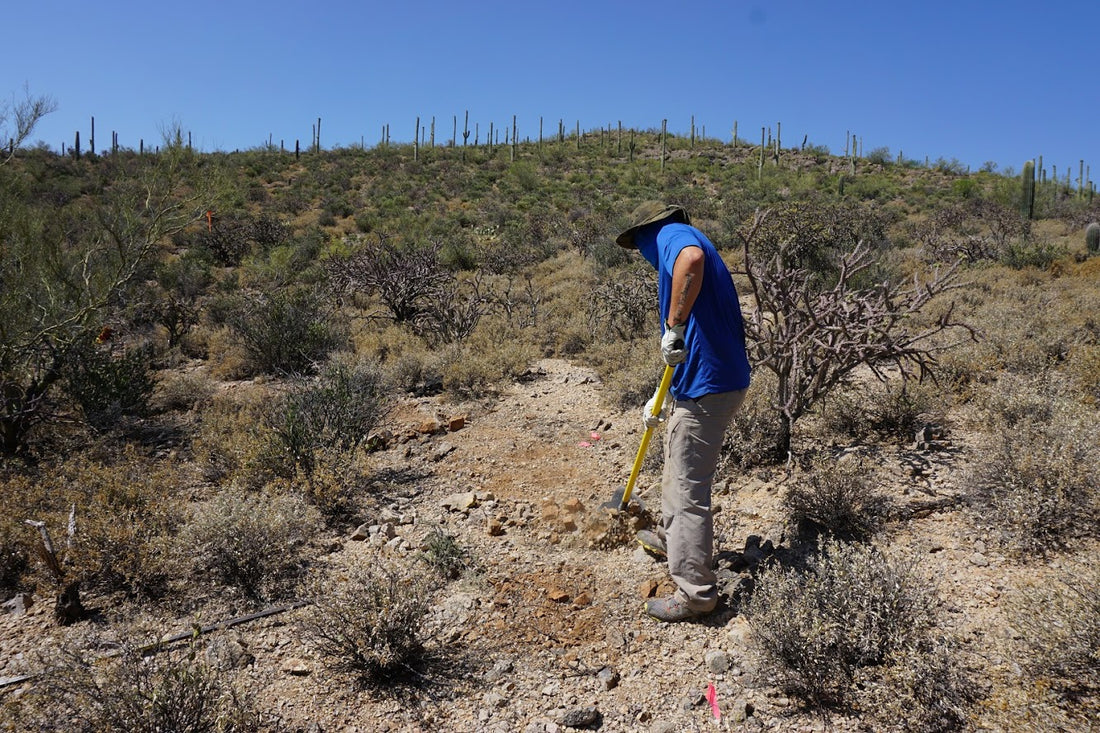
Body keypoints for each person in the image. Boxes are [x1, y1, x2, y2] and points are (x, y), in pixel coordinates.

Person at [615, 201, 751, 622]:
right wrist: (664, 395)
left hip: (710, 386)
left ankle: (695, 593)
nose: (642, 254)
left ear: (646, 233)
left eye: (638, 245)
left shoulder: (673, 237)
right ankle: (673, 538)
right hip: (707, 381)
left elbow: (688, 261)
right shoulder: (692, 240)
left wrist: (673, 325)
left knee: (687, 489)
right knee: (676, 467)